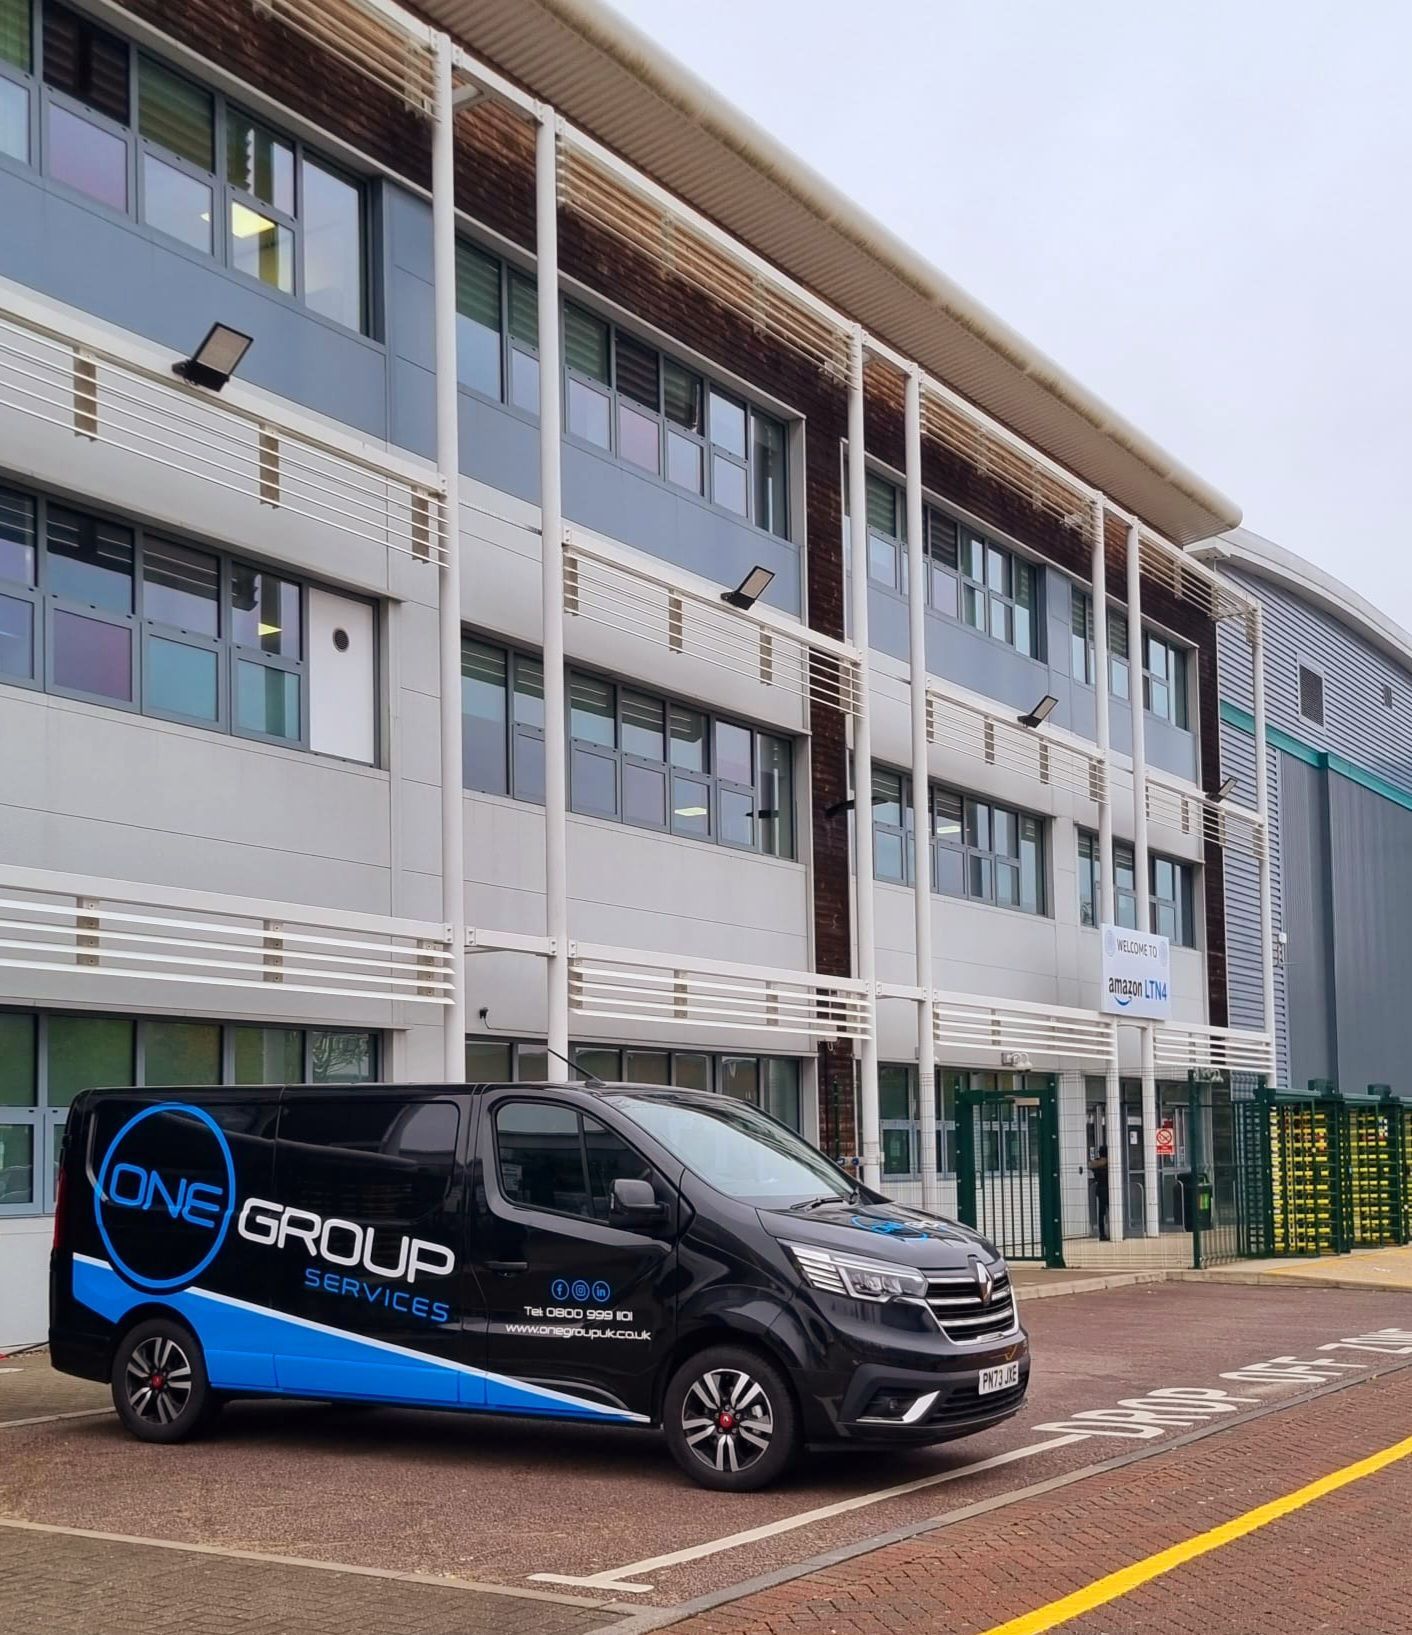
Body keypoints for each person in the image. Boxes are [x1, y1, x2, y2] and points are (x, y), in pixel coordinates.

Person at [1090, 1145, 1110, 1241]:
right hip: (1109, 1189)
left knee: (1101, 1213)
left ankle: (1102, 1234)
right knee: (1112, 1211)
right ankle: (1113, 1231)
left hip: (1100, 1189)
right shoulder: (1108, 1162)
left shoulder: (1097, 1163)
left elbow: (1090, 1165)